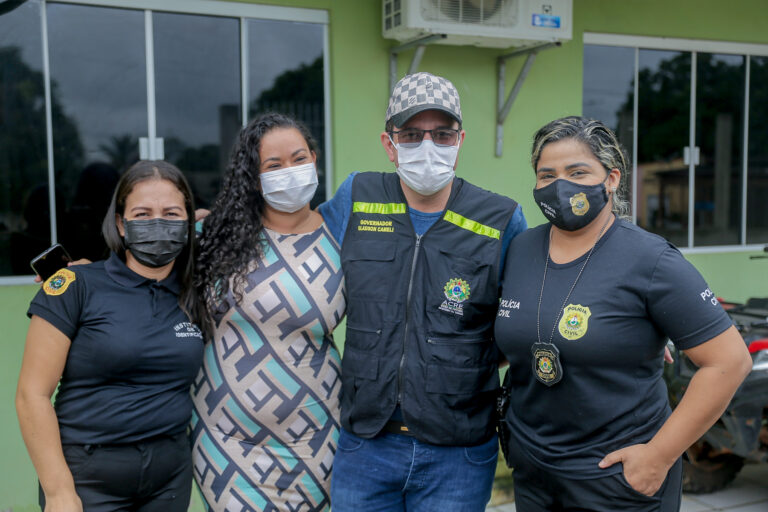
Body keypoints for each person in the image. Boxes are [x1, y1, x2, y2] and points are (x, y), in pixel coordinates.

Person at [494, 116, 752, 511]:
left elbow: (729, 362)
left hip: (617, 479)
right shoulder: (520, 250)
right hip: (534, 473)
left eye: (578, 171)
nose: (561, 185)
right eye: (547, 175)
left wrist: (659, 457)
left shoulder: (651, 260)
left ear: (612, 179)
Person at [319, 71, 527, 511]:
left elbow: (536, 302)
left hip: (458, 451)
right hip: (366, 444)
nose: (428, 146)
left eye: (442, 134)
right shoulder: (356, 197)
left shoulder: (500, 218)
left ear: (460, 140)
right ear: (388, 142)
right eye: (412, 134)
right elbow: (291, 248)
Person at [16, 160, 205, 512]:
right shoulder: (75, 285)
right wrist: (58, 492)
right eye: (143, 213)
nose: (158, 223)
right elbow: (32, 396)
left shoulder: (195, 289)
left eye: (171, 213)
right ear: (121, 223)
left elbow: (232, 223)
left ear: (188, 222)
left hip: (169, 478)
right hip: (87, 479)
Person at [191, 112, 345, 511]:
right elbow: (140, 269)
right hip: (224, 441)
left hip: (316, 442)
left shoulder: (343, 237)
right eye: (273, 165)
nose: (289, 172)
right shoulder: (214, 236)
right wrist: (84, 275)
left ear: (315, 157)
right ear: (253, 176)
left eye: (298, 158)